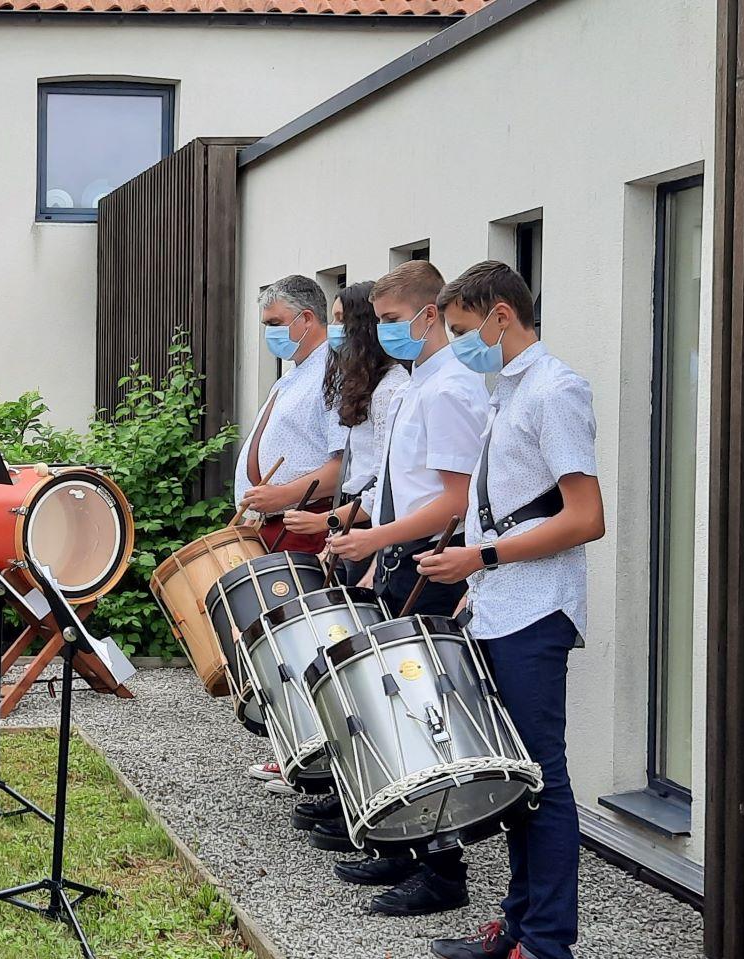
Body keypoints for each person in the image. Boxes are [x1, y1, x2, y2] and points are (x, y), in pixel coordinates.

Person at [417, 261, 604, 959]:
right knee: (516, 779)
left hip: (535, 610)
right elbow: (507, 506)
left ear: (501, 314)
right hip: (500, 605)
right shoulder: (507, 391)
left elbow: (586, 517)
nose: (461, 345)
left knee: (544, 781)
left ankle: (547, 943)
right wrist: (476, 578)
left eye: (464, 330)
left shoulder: (555, 390)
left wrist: (483, 561)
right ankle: (519, 926)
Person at [305, 261, 490, 917]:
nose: (383, 335)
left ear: (428, 315)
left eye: (391, 321)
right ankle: (405, 844)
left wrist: (378, 541)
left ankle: (443, 870)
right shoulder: (419, 383)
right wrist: (370, 538)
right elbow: (400, 483)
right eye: (378, 323)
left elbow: (455, 503)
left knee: (423, 717)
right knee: (393, 711)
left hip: (429, 562)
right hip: (400, 555)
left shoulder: (448, 390)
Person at [283, 281, 410, 581]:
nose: (334, 330)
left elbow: (384, 482)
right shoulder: (367, 384)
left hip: (368, 524)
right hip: (351, 518)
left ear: (362, 327)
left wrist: (324, 520)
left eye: (341, 320)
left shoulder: (391, 388)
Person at [235, 275, 341, 554]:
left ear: (306, 319)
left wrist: (282, 495)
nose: (269, 333)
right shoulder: (293, 374)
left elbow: (346, 463)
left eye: (275, 324)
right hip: (269, 523)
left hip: (304, 524)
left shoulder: (335, 372)